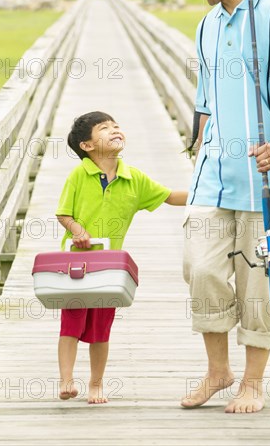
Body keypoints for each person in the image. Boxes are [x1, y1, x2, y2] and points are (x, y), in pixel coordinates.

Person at [164, 0, 270, 413]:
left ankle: (251, 382)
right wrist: (200, 144)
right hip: (212, 178)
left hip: (265, 177)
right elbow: (205, 101)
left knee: (257, 281)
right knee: (199, 269)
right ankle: (218, 371)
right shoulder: (206, 24)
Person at [56, 111, 187, 404]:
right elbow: (64, 213)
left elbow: (168, 196)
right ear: (87, 147)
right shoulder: (79, 174)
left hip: (109, 269)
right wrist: (77, 229)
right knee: (71, 325)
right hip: (76, 264)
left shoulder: (133, 178)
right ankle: (66, 380)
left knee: (101, 330)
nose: (115, 130)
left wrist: (209, 195)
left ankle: (96, 384)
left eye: (116, 125)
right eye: (104, 128)